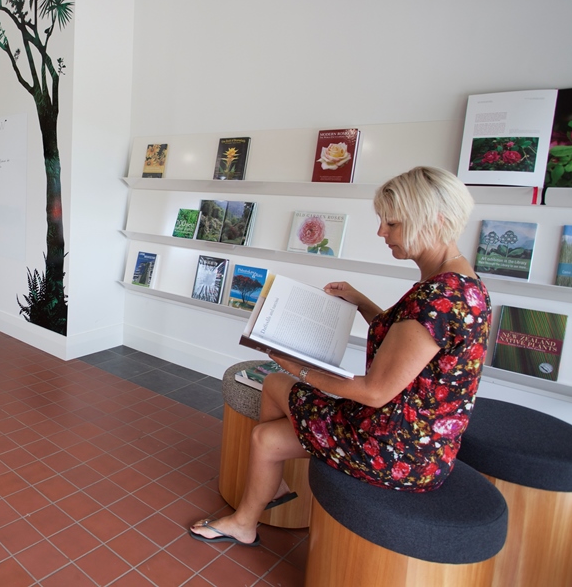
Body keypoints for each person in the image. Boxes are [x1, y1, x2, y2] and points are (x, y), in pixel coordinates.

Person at [190, 166, 491, 546]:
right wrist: (361, 301)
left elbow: (374, 392)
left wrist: (298, 366)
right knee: (268, 425)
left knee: (277, 392)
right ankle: (252, 514)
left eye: (392, 224)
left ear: (434, 221)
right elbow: (408, 341)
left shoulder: (438, 298)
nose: (381, 232)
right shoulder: (461, 284)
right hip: (413, 436)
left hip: (396, 449)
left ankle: (255, 506)